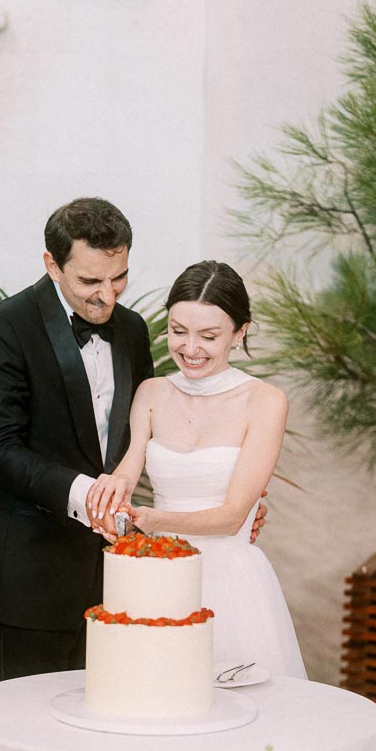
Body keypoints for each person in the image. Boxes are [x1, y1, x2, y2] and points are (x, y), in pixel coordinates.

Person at [0, 197, 154, 682]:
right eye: (90, 281)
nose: (107, 296)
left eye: (119, 278)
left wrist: (237, 500)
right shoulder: (2, 329)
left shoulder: (131, 330)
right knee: (26, 739)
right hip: (28, 580)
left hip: (115, 581)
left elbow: (151, 429)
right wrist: (86, 494)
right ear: (52, 263)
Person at [86, 260, 307, 680]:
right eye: (178, 331)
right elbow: (128, 469)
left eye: (209, 336)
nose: (190, 348)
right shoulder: (152, 392)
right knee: (157, 696)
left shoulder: (264, 401)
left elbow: (233, 515)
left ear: (240, 333)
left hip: (232, 585)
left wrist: (154, 520)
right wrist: (110, 492)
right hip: (162, 580)